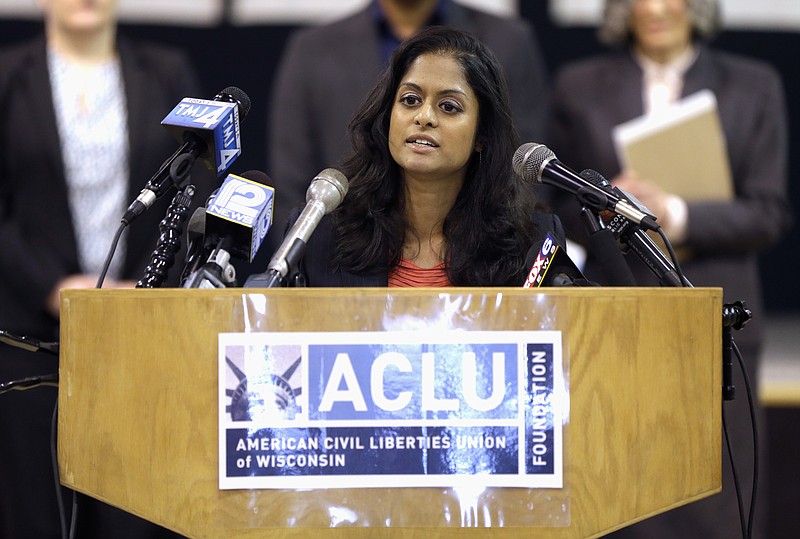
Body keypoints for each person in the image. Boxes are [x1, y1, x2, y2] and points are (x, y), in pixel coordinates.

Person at [545, 1, 791, 537]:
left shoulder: (753, 84)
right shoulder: (578, 84)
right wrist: (604, 204)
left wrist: (674, 214)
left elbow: (768, 211)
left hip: (717, 312)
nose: (655, 7)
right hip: (622, 310)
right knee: (628, 486)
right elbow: (552, 205)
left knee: (720, 488)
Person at [0, 0, 213, 537]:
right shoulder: (7, 76)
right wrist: (53, 288)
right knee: (37, 513)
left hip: (136, 331)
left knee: (132, 512)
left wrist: (141, 286)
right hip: (30, 332)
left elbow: (193, 195)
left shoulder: (168, 73)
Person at [264, 0, 549, 267]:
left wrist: (503, 237)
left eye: (449, 106)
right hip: (353, 250)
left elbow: (525, 164)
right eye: (410, 100)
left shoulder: (510, 40)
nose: (423, 117)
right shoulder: (312, 48)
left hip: (486, 248)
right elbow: (292, 184)